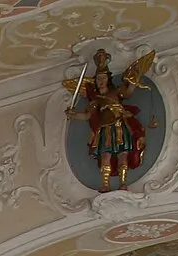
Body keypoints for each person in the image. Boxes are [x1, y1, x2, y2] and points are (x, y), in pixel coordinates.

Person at [64, 49, 154, 191]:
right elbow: (87, 116)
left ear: (108, 79)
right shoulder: (96, 100)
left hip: (119, 126)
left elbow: (128, 93)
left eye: (103, 78)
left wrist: (133, 82)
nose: (100, 81)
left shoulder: (116, 92)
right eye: (98, 79)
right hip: (105, 130)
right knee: (105, 156)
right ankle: (105, 184)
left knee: (122, 155)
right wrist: (73, 115)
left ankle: (123, 183)